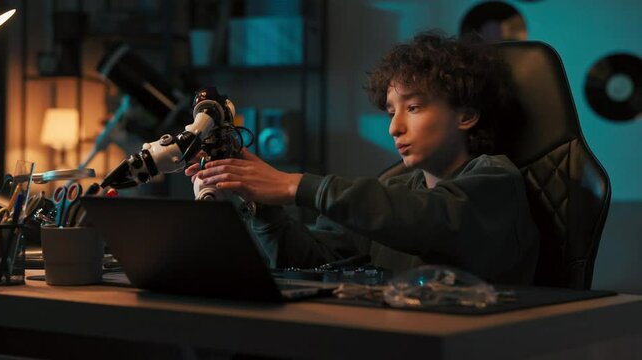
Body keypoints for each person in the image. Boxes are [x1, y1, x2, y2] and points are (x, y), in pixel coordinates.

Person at [185, 31, 540, 285]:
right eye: (390, 113)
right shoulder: (395, 188)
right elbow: (312, 263)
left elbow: (431, 217)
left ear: (465, 115)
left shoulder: (496, 179)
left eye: (413, 107)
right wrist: (260, 202)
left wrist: (293, 185)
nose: (395, 128)